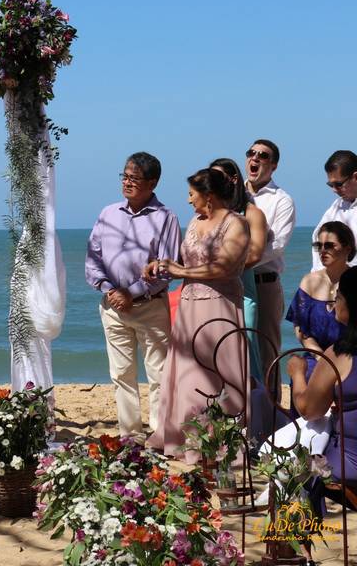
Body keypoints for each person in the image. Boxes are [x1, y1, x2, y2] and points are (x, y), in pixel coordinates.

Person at [146, 168, 250, 461]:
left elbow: (224, 268)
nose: (188, 200)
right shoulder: (194, 221)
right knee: (188, 375)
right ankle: (186, 443)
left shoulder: (236, 224)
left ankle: (219, 446)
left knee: (219, 376)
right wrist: (164, 264)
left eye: (192, 194)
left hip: (219, 307)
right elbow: (185, 259)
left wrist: (182, 271)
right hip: (190, 306)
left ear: (209, 196)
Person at [85, 152, 180, 440]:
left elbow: (167, 267)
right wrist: (111, 291)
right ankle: (130, 434)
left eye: (134, 178)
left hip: (150, 307)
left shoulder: (166, 218)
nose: (126, 182)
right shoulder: (108, 213)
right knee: (121, 374)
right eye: (124, 176)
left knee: (159, 374)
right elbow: (93, 259)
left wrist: (132, 292)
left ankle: (160, 434)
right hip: (112, 307)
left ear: (152, 182)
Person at [289, 265, 357, 513]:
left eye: (338, 297)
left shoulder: (340, 354)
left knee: (297, 468)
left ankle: (301, 547)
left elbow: (309, 409)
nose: (333, 303)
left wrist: (297, 374)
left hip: (349, 465)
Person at [210, 158, 268, 384]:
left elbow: (255, 255)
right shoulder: (210, 214)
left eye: (217, 177)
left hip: (242, 291)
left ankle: (257, 410)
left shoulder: (252, 213)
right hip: (214, 292)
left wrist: (219, 270)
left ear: (233, 179)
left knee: (248, 351)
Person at [244, 139, 296, 390]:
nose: (255, 158)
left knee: (267, 351)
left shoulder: (282, 200)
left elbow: (277, 245)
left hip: (263, 283)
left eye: (262, 156)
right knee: (235, 347)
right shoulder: (233, 193)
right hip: (233, 282)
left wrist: (242, 263)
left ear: (273, 165)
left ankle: (272, 416)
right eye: (251, 153)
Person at [288, 221, 354, 380]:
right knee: (306, 373)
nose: (323, 250)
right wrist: (322, 358)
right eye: (319, 245)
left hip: (351, 357)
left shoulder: (354, 280)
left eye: (329, 245)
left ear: (347, 248)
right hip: (316, 355)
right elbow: (301, 331)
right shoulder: (309, 281)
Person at [312, 150, 357, 271]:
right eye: (330, 185)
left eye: (338, 184)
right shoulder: (336, 207)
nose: (334, 190)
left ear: (355, 177)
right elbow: (317, 241)